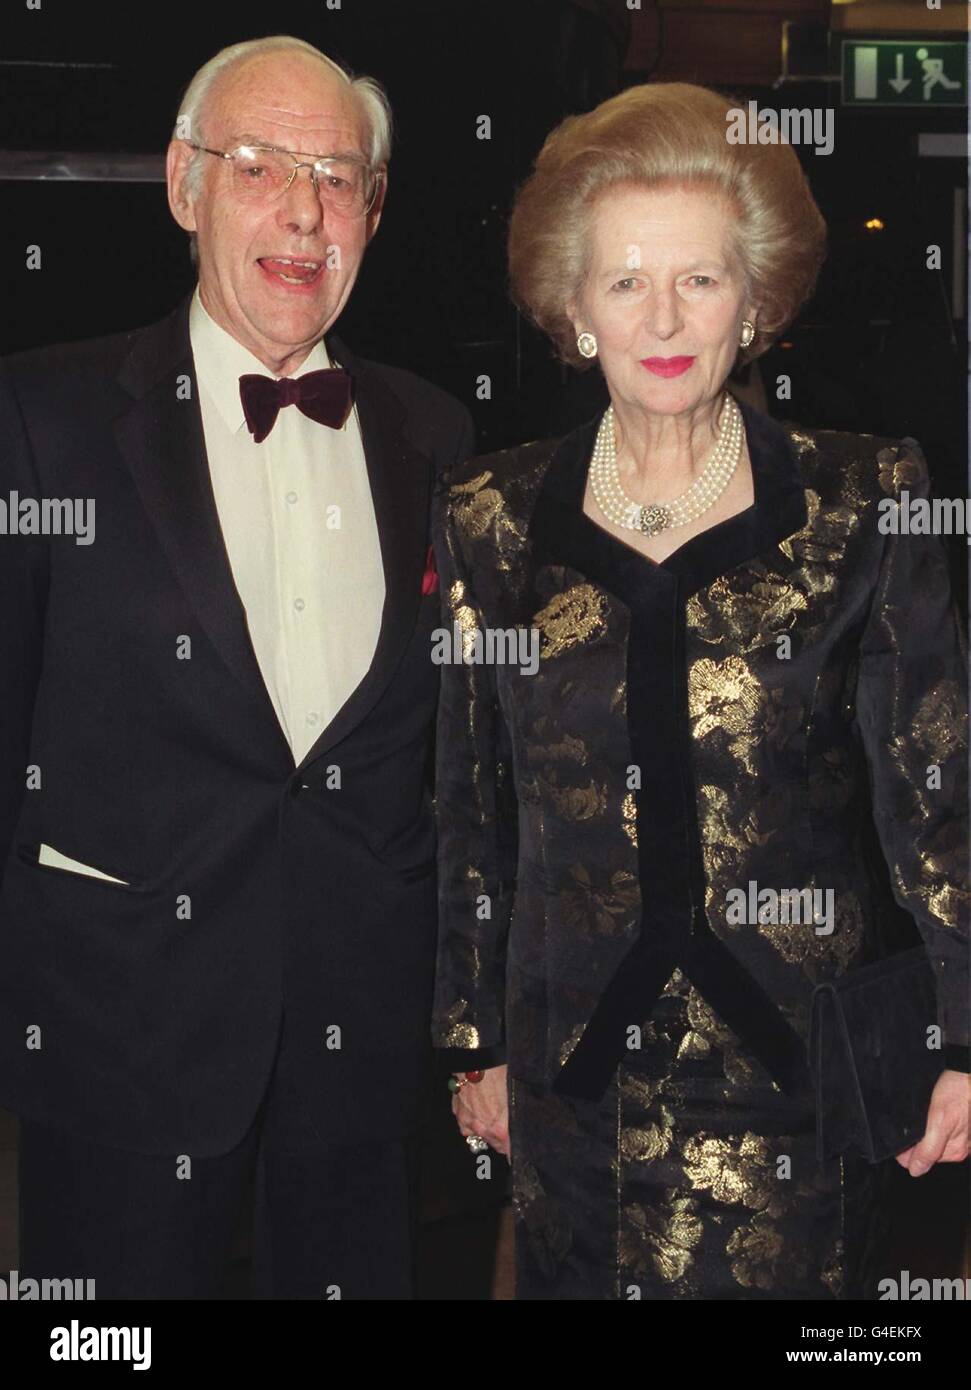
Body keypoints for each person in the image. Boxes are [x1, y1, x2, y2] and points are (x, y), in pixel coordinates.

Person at [432, 82, 969, 1300]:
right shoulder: (489, 518)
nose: (662, 318)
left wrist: (961, 1035)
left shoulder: (865, 500)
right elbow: (472, 800)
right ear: (573, 310)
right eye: (624, 282)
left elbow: (938, 791)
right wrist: (472, 1040)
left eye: (699, 279)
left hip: (803, 1072)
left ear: (757, 297)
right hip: (574, 1071)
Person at [0, 34, 472, 1299]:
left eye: (335, 174)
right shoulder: (39, 424)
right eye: (258, 165)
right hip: (118, 1032)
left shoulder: (443, 438)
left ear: (372, 209)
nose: (302, 211)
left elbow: (461, 764)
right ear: (183, 184)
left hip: (359, 1041)